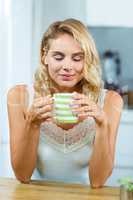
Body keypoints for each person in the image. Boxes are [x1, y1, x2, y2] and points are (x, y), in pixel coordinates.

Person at [7, 18, 123, 188]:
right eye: (58, 57)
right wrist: (32, 125)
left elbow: (98, 181)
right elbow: (22, 175)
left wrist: (102, 124)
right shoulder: (19, 97)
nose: (67, 66)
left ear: (87, 60)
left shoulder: (110, 101)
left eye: (77, 59)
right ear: (44, 56)